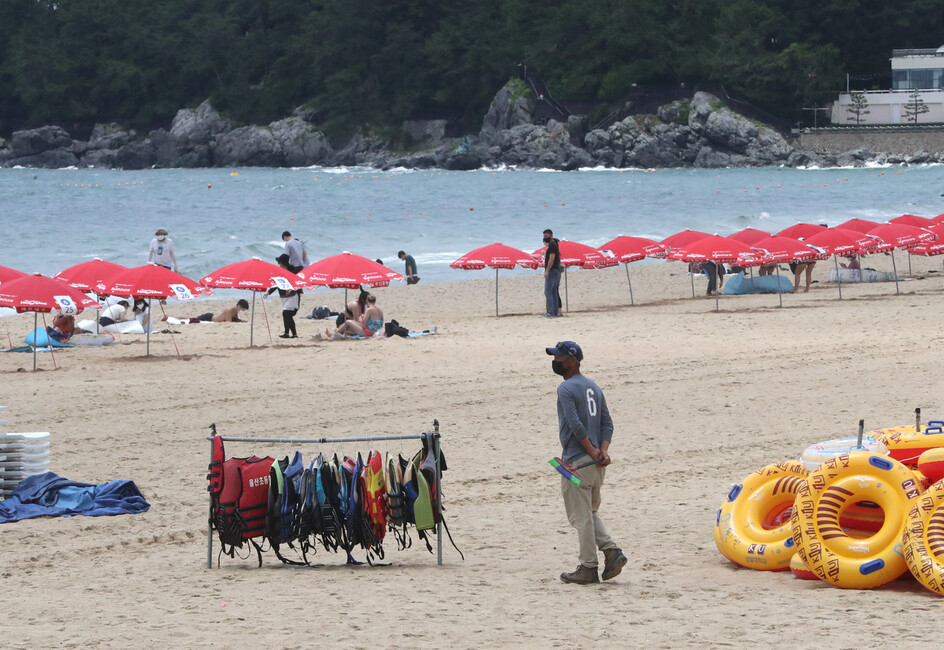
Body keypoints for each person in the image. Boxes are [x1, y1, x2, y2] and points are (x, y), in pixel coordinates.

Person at [546, 340, 626, 585]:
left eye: (559, 358)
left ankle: (588, 567)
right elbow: (607, 424)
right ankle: (612, 551)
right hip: (595, 463)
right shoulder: (594, 387)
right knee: (590, 512)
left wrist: (592, 451)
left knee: (581, 517)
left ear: (572, 360)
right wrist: (602, 451)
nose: (555, 361)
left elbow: (574, 424)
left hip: (577, 461)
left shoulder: (566, 389)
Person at [269, 254, 300, 337]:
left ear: (285, 264)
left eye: (280, 263)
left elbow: (297, 283)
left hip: (293, 296)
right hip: (283, 297)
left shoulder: (293, 272)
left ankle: (287, 333)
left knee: (286, 313)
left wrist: (292, 289)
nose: (279, 265)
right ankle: (293, 334)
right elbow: (276, 284)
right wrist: (268, 292)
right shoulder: (280, 273)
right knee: (287, 315)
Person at [161, 299, 249, 325]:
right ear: (239, 306)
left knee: (191, 317)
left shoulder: (235, 311)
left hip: (212, 317)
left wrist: (242, 321)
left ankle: (170, 316)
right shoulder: (229, 310)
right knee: (189, 318)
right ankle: (169, 317)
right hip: (209, 318)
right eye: (243, 309)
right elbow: (228, 322)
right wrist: (239, 322)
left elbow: (236, 319)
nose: (243, 311)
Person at [542, 229, 562, 317]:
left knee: (548, 292)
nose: (545, 238)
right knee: (554, 292)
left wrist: (547, 271)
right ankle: (554, 312)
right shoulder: (554, 245)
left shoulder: (552, 246)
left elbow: (552, 259)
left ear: (551, 235)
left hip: (552, 270)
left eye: (546, 236)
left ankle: (551, 312)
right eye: (544, 236)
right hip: (556, 270)